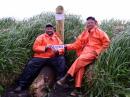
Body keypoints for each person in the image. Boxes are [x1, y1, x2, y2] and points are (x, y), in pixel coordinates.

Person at [57, 16, 110, 96]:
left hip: (93, 52)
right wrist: (65, 46)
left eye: (91, 22)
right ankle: (77, 89)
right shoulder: (84, 33)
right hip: (84, 53)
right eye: (88, 23)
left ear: (95, 23)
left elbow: (107, 43)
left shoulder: (100, 32)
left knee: (80, 59)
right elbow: (76, 45)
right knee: (80, 67)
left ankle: (66, 77)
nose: (89, 24)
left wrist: (98, 52)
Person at [14, 24, 66, 92]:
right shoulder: (40, 37)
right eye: (47, 28)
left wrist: (57, 52)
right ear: (45, 30)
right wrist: (45, 47)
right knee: (30, 65)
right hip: (41, 57)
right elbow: (35, 48)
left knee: (61, 59)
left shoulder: (57, 38)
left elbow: (62, 48)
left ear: (53, 30)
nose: (49, 30)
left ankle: (60, 82)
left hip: (53, 57)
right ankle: (22, 85)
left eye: (51, 28)